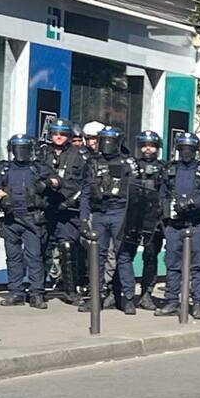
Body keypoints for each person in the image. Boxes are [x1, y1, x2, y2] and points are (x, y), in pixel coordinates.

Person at [0, 134, 59, 308]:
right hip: (10, 218)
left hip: (32, 218)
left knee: (34, 256)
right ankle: (16, 292)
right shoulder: (3, 167)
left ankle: (36, 294)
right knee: (13, 257)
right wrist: (1, 196)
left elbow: (58, 181)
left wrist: (47, 183)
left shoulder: (38, 167)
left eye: (24, 149)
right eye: (17, 149)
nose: (21, 153)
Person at [156, 133, 200, 319]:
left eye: (190, 149)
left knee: (197, 265)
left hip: (197, 223)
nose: (186, 152)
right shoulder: (169, 169)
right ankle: (171, 301)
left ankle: (198, 303)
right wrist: (165, 214)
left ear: (196, 151)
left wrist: (193, 202)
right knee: (172, 264)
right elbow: (161, 194)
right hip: (174, 225)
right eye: (183, 149)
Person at [80, 127, 140, 313]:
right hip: (99, 213)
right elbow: (85, 192)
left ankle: (128, 297)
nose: (106, 145)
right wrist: (83, 218)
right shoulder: (93, 162)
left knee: (123, 256)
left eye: (110, 141)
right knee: (97, 257)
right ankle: (96, 297)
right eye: (103, 140)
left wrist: (133, 218)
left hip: (120, 212)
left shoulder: (127, 162)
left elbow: (136, 192)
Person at [39, 118, 85, 304]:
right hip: (46, 208)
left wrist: (71, 201)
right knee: (42, 248)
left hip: (67, 210)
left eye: (63, 134)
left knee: (67, 248)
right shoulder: (42, 153)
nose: (59, 137)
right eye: (56, 133)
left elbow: (85, 183)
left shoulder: (79, 155)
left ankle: (70, 290)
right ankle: (38, 289)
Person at [133, 131, 166, 309]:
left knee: (151, 256)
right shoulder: (132, 165)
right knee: (124, 255)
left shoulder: (164, 168)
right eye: (144, 145)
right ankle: (116, 292)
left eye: (152, 145)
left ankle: (147, 293)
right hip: (133, 217)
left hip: (154, 219)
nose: (148, 149)